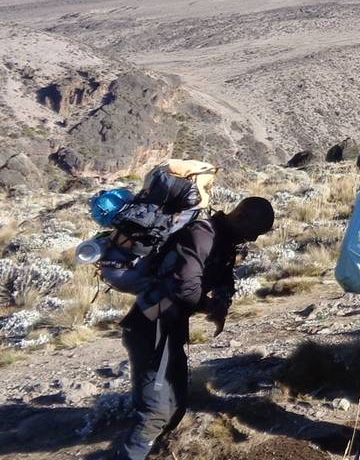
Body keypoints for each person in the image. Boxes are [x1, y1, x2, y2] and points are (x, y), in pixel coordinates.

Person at [113, 197, 275, 460]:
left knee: (176, 403)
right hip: (149, 330)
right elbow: (186, 287)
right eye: (255, 230)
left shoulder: (223, 242)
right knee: (155, 411)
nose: (254, 239)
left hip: (169, 328)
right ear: (241, 216)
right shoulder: (201, 235)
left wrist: (222, 303)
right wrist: (209, 306)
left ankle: (156, 452)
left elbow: (223, 277)